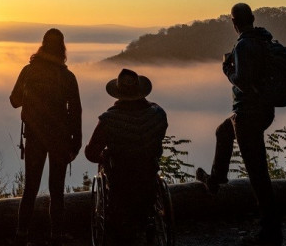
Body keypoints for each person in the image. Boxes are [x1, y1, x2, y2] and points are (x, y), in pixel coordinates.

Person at [196, 3, 283, 246]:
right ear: (253, 18)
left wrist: (227, 69)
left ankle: (270, 233)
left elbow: (242, 81)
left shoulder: (244, 44)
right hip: (264, 111)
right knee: (223, 132)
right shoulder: (265, 40)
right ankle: (216, 180)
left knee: (258, 174)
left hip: (248, 114)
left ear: (234, 23)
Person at [10, 28, 82, 246]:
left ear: (42, 45)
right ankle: (56, 236)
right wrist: (75, 143)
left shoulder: (28, 71)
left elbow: (14, 101)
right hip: (60, 139)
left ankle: (22, 234)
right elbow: (76, 111)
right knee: (56, 190)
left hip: (33, 137)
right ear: (62, 49)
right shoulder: (67, 76)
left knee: (30, 189)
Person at [85, 68, 168, 246]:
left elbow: (91, 153)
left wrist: (104, 157)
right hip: (148, 173)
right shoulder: (158, 114)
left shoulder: (108, 120)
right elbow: (159, 139)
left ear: (118, 94)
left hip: (120, 180)